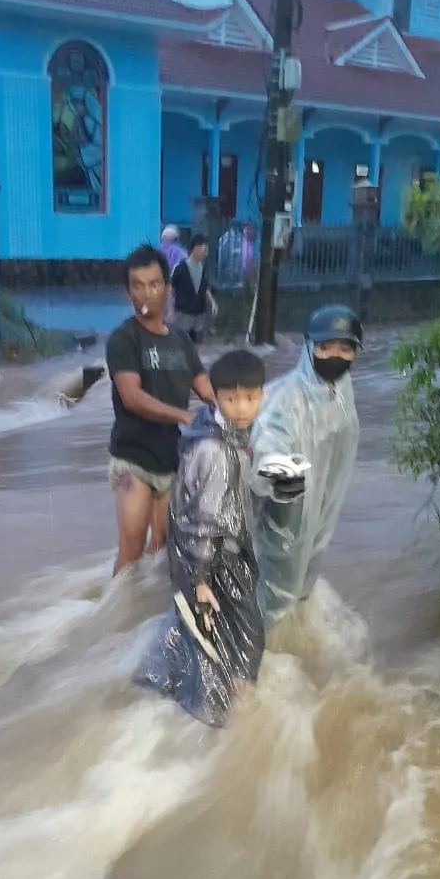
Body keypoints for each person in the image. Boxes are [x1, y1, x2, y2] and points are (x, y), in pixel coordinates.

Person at [135, 349, 267, 728]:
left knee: (195, 632)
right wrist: (200, 580)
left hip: (206, 556)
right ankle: (226, 725)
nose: (242, 407)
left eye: (250, 397)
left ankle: (154, 689)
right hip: (213, 560)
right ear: (214, 396)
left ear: (262, 395)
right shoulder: (215, 450)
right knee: (241, 640)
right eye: (231, 398)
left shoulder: (218, 431)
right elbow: (203, 520)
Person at [106, 243, 215, 574]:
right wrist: (184, 416)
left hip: (172, 460)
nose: (146, 294)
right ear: (128, 292)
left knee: (164, 548)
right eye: (137, 286)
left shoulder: (181, 341)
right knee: (134, 546)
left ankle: (147, 620)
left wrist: (245, 414)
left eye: (154, 284)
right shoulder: (123, 339)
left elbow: (208, 390)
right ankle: (114, 621)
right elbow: (132, 397)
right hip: (133, 459)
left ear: (167, 288)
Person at [250, 304, 362, 628]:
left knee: (302, 592)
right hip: (285, 519)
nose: (334, 356)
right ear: (309, 347)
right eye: (325, 347)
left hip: (320, 518)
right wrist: (279, 473)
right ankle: (256, 663)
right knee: (273, 600)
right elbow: (268, 444)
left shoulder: (340, 393)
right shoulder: (287, 399)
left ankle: (295, 659)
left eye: (345, 348)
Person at [171, 233, 219, 346]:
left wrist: (212, 302)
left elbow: (205, 287)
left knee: (196, 342)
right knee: (181, 341)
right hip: (183, 312)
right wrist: (169, 308)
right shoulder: (180, 268)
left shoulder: (202, 268)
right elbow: (170, 287)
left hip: (198, 312)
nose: (206, 253)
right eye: (204, 249)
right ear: (196, 248)